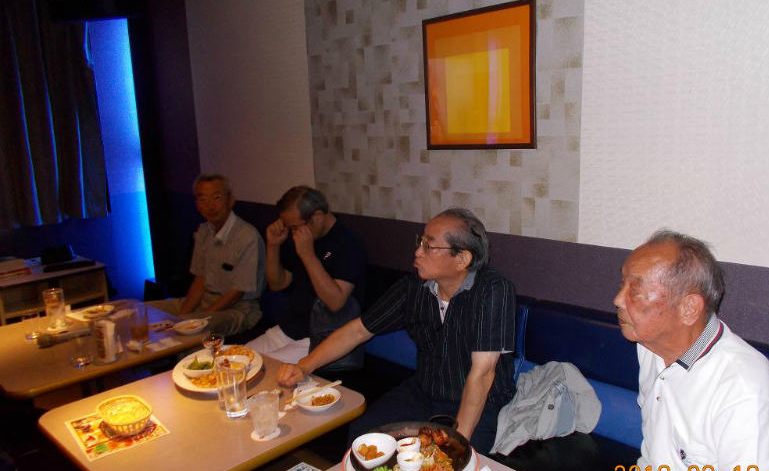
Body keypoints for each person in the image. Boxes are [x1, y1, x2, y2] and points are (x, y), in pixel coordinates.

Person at [573, 230, 769, 471]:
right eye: (622, 284)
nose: (618, 299)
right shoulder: (652, 348)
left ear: (689, 308)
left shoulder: (742, 383)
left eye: (635, 290)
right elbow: (680, 445)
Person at [276, 208, 517, 454]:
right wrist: (304, 366)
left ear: (462, 258)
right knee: (363, 437)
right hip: (424, 390)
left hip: (479, 399)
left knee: (447, 462)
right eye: (420, 242)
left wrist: (458, 443)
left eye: (428, 246)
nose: (418, 252)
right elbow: (357, 331)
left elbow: (483, 373)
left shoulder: (493, 290)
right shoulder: (413, 288)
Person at [246, 186, 367, 370]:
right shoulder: (303, 236)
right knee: (236, 361)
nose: (293, 233)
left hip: (321, 338)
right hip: (289, 329)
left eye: (295, 227)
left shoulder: (348, 243)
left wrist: (308, 255)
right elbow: (277, 284)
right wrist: (273, 245)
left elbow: (335, 302)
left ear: (317, 216)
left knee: (263, 370)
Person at [148, 173, 265, 336]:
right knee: (144, 312)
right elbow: (200, 280)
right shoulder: (204, 231)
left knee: (186, 329)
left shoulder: (247, 236)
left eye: (217, 197)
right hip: (204, 302)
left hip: (236, 309)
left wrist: (195, 319)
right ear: (197, 204)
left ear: (230, 200)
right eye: (203, 199)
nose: (210, 205)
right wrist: (181, 317)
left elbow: (237, 293)